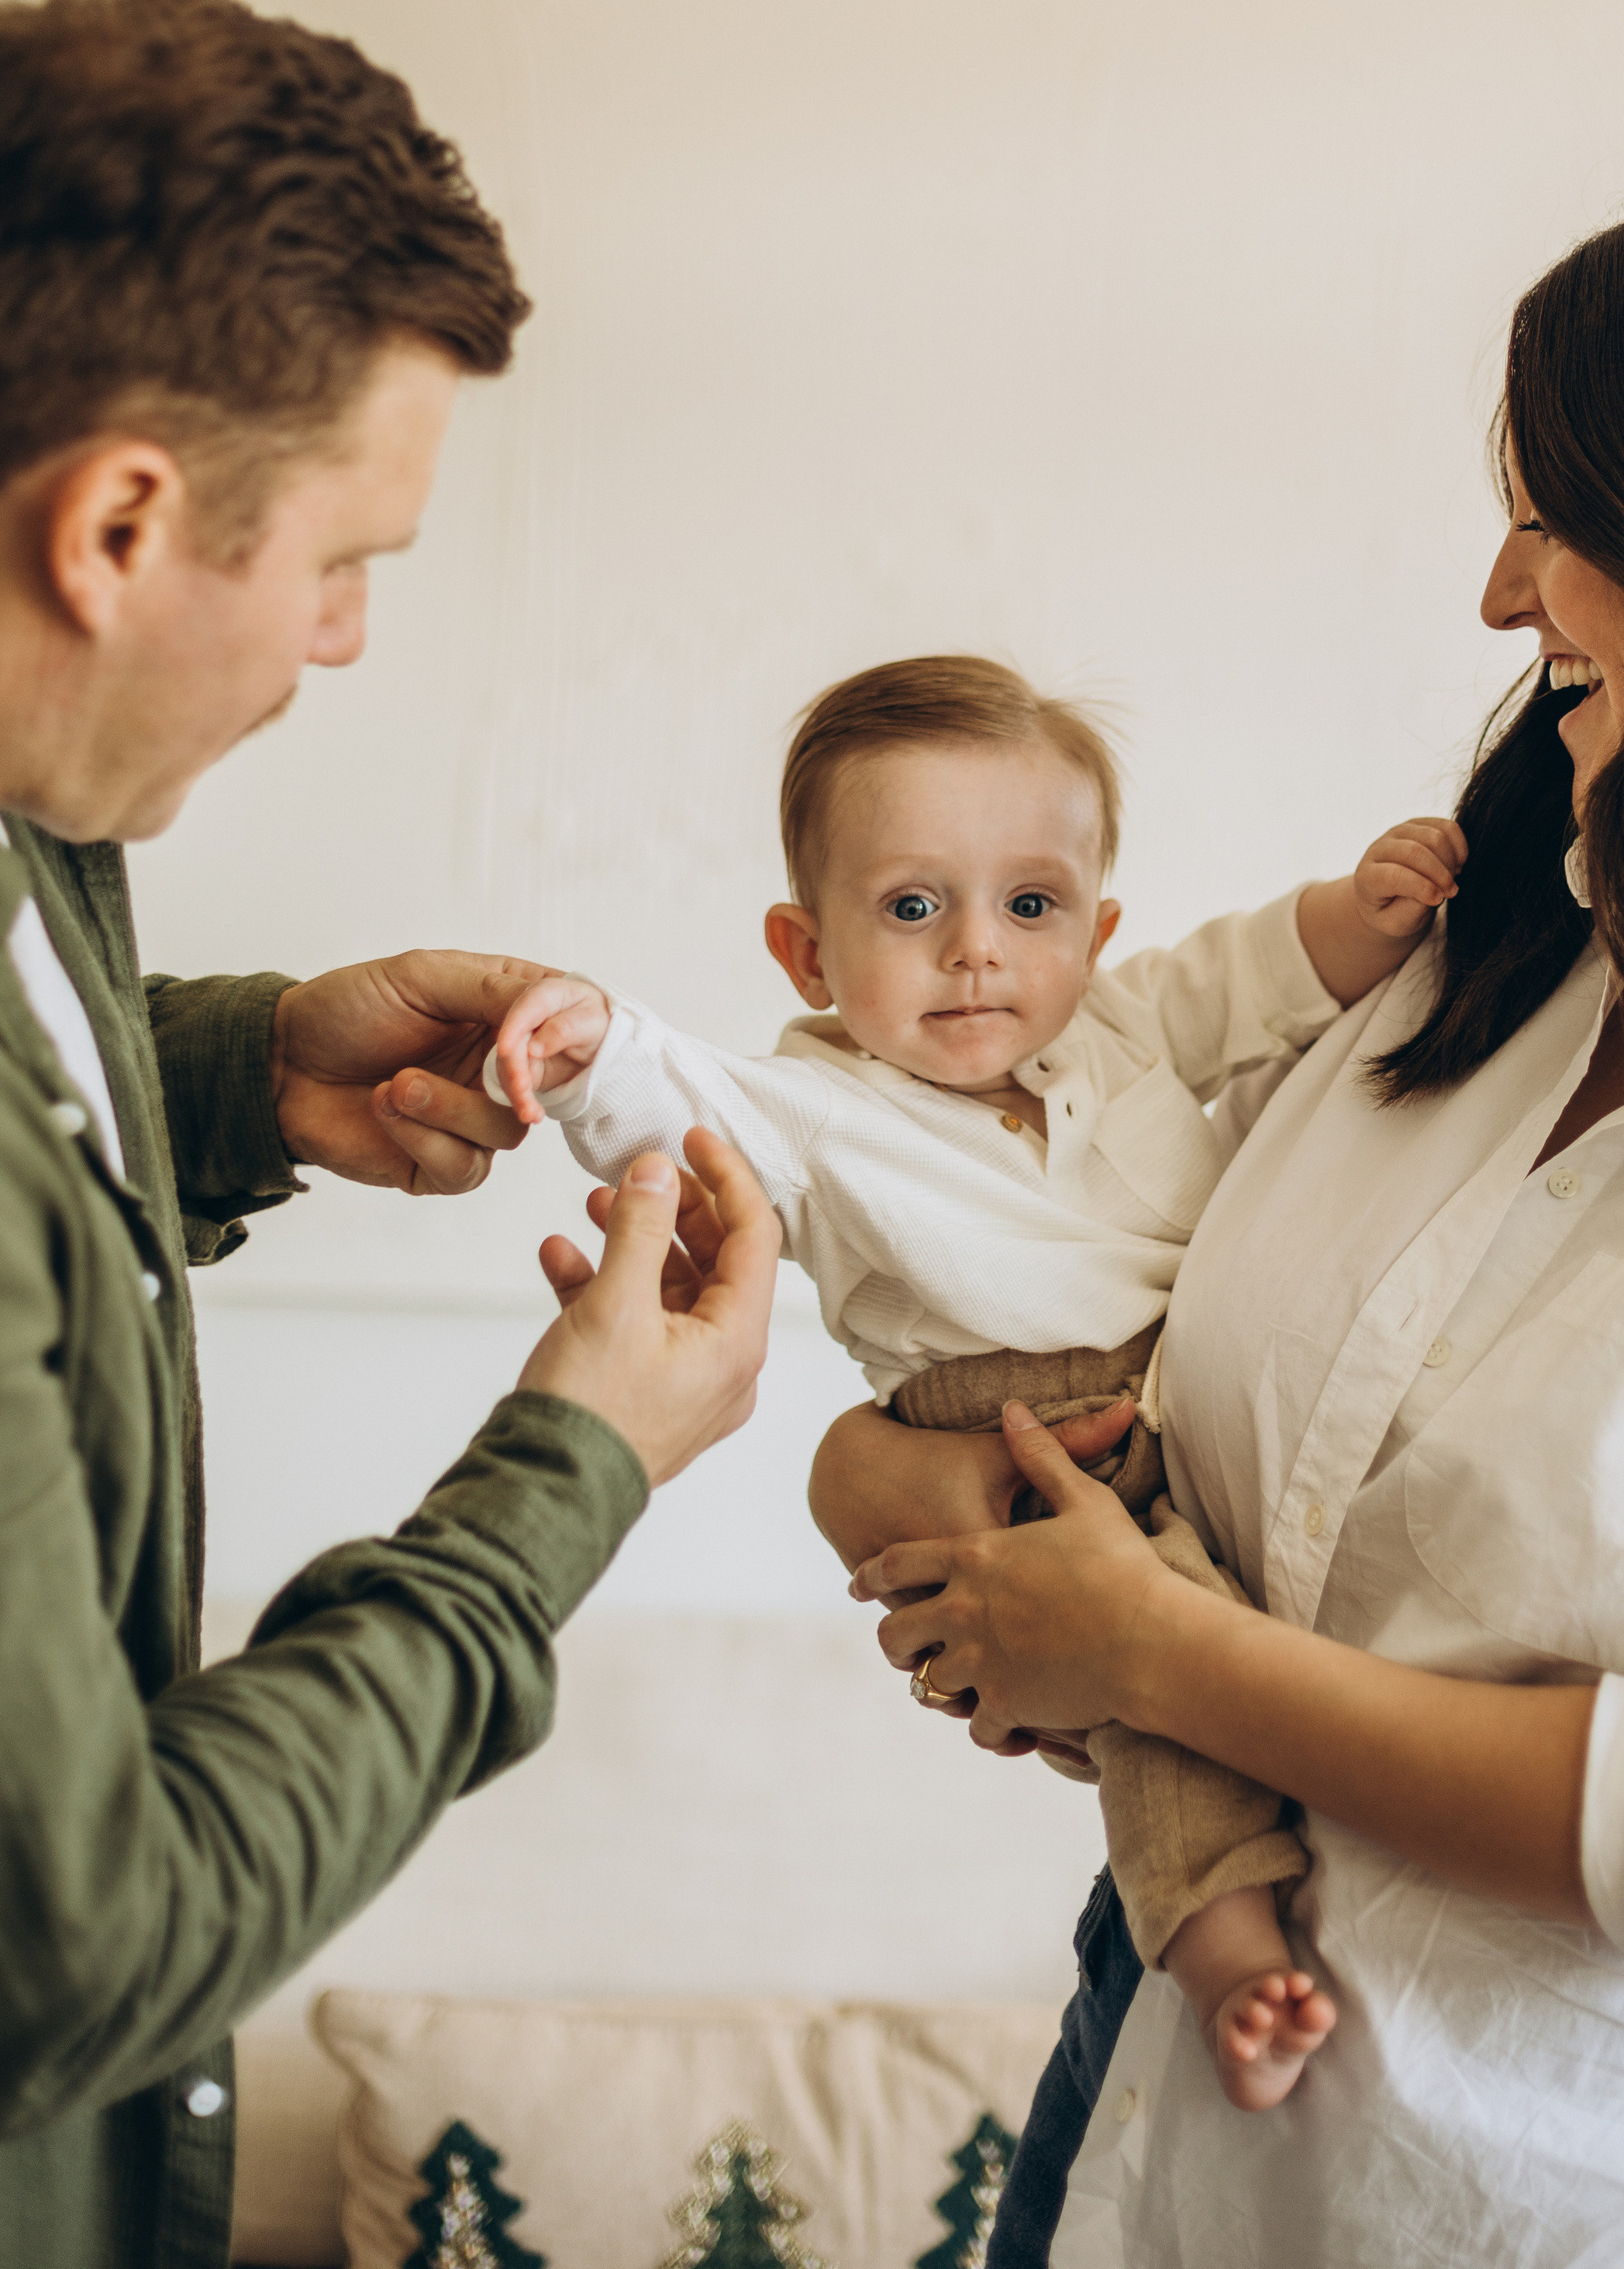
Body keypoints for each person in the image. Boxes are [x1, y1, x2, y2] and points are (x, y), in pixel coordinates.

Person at [816, 161, 1624, 2267]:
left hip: (1596, 2212)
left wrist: (1155, 1652)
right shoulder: (1476, 957)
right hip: (1145, 2127)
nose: (1497, 590)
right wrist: (877, 1481)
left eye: (1554, 515)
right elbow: (1098, 1357)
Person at [0, 0, 779, 2269]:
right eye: (341, 563)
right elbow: (89, 1940)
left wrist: (234, 1075)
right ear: (120, 526)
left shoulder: (40, 823)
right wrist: (574, 1476)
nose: (340, 642)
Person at [483, 653, 1464, 2109]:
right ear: (806, 952)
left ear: (1093, 928)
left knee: (1220, 1635)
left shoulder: (1118, 1026)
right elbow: (681, 1098)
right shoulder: (818, 1108)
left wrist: (1360, 913)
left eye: (1029, 905)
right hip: (1014, 1422)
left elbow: (1253, 975)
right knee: (1163, 1686)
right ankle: (1220, 1947)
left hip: (1170, 1398)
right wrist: (585, 1044)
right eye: (911, 908)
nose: (978, 955)